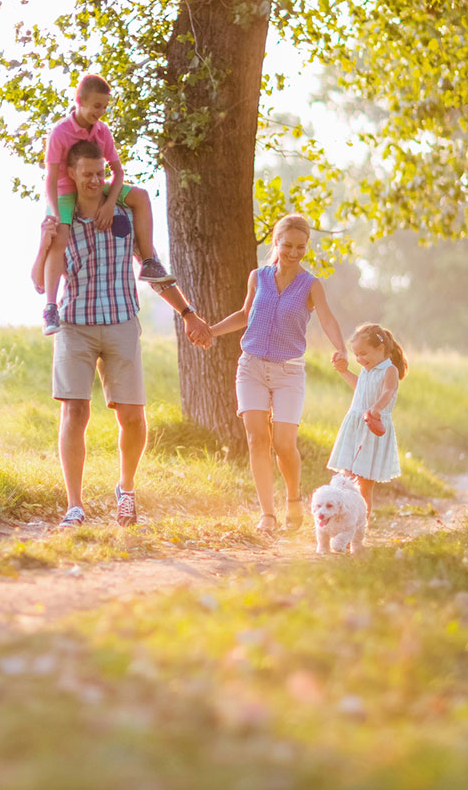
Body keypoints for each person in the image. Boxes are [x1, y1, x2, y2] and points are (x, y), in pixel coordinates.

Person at [50, 140, 211, 528]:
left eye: (101, 172)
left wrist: (188, 313)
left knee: (134, 418)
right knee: (75, 410)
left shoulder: (124, 213)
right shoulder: (61, 220)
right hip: (76, 326)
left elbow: (152, 268)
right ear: (71, 173)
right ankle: (75, 505)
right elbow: (40, 277)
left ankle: (125, 487)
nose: (94, 180)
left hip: (122, 322)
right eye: (87, 173)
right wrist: (43, 245)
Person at [207, 214, 348, 533]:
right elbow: (245, 314)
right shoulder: (258, 277)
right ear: (277, 242)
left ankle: (294, 500)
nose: (294, 252)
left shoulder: (311, 285)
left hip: (289, 371)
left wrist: (340, 348)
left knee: (284, 443)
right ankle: (267, 514)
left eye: (301, 247)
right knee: (257, 438)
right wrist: (212, 331)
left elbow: (326, 319)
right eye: (288, 245)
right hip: (252, 366)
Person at [31, 74, 175, 336]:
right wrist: (55, 211)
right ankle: (51, 307)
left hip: (97, 184)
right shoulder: (60, 133)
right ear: (79, 102)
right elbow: (51, 177)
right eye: (97, 106)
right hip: (65, 190)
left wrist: (109, 204)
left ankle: (149, 262)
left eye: (105, 107)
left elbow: (117, 173)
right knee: (60, 235)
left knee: (141, 196)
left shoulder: (102, 131)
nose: (101, 112)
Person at [328, 322, 408, 512]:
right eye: (356, 355)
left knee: (363, 486)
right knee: (346, 478)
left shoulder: (390, 370)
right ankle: (343, 522)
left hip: (372, 428)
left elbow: (389, 391)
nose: (359, 359)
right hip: (355, 427)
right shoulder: (367, 369)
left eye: (363, 353)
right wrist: (343, 371)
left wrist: (377, 408)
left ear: (380, 349)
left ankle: (359, 530)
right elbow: (360, 387)